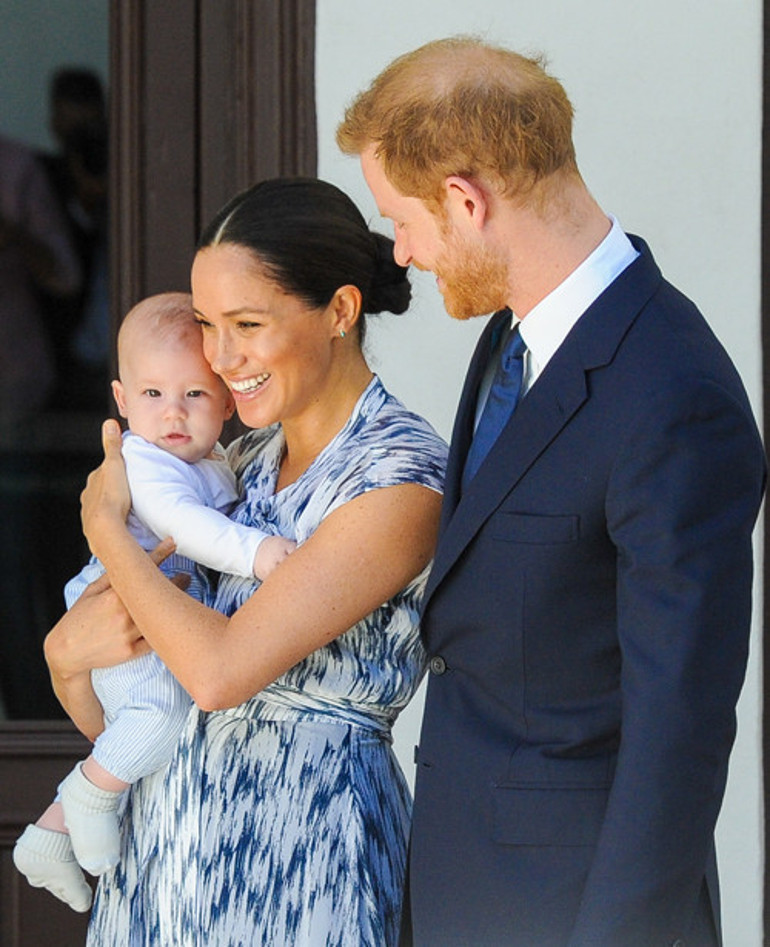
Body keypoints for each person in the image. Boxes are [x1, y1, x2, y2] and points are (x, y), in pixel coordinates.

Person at [336, 35, 767, 946]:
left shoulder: (675, 393)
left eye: (401, 220)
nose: (403, 253)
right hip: (464, 892)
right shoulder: (509, 343)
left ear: (466, 199)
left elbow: (677, 737)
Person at [44, 177, 448, 945]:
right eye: (204, 324)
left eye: (247, 324)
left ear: (339, 310)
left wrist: (105, 528)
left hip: (302, 868)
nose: (219, 357)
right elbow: (141, 713)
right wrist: (65, 661)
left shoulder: (400, 475)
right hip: (163, 865)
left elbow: (218, 673)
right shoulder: (240, 460)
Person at [14, 291, 296, 913]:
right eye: (152, 395)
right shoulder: (142, 463)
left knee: (150, 716)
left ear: (226, 399)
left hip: (153, 611)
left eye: (194, 395)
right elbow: (185, 527)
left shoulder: (217, 460)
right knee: (160, 715)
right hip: (122, 606)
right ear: (121, 401)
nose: (173, 413)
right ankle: (88, 794)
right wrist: (256, 553)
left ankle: (51, 834)